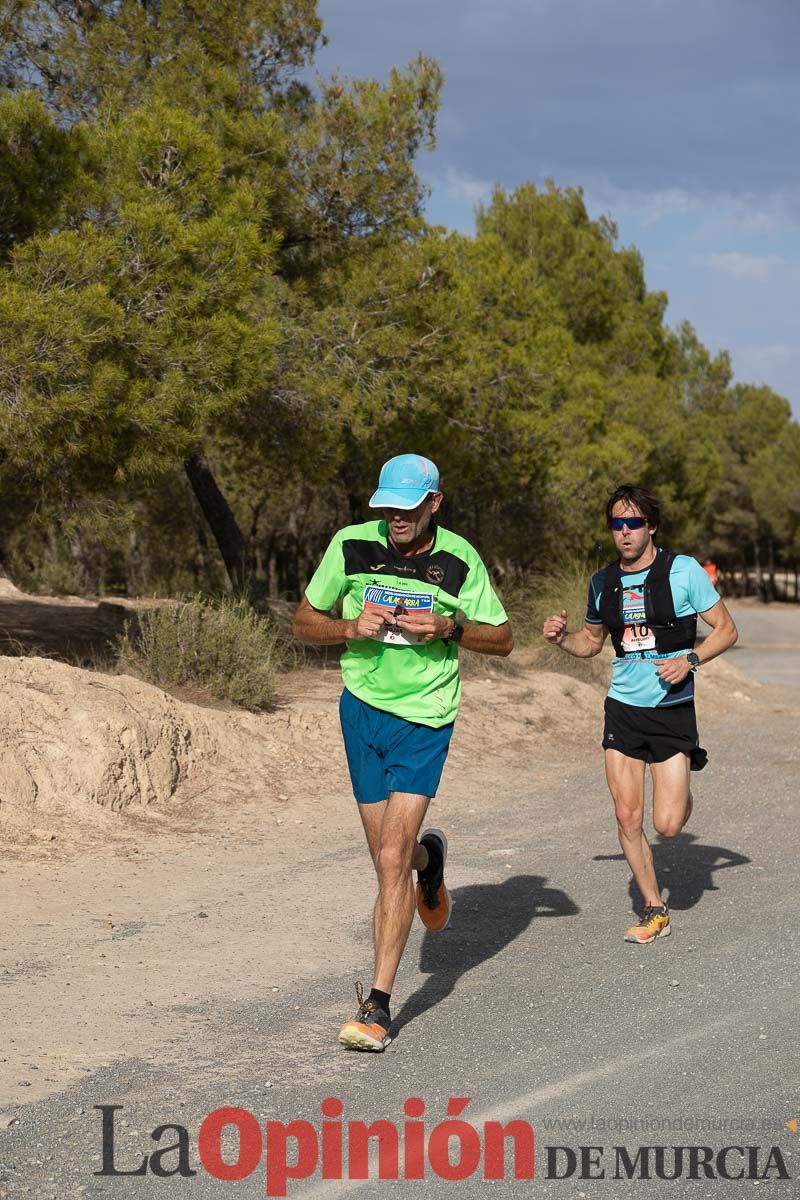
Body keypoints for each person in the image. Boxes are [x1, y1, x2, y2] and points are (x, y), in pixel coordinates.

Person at [292, 453, 513, 1049]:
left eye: (407, 508)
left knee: (389, 858)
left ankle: (378, 1004)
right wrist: (349, 627)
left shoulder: (459, 560)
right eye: (387, 506)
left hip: (425, 716)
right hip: (361, 710)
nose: (395, 517)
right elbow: (302, 621)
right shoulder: (350, 545)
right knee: (390, 858)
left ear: (434, 503)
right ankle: (430, 863)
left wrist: (450, 629)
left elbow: (504, 638)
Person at [542, 484, 738, 944]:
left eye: (633, 523)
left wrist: (690, 659)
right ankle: (654, 908)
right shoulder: (602, 583)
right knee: (628, 816)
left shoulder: (683, 571)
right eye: (617, 523)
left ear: (651, 526)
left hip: (671, 711)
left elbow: (727, 630)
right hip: (623, 710)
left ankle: (683, 786)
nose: (625, 532)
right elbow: (591, 644)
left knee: (667, 825)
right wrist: (561, 639)